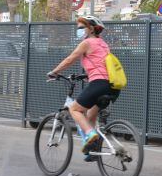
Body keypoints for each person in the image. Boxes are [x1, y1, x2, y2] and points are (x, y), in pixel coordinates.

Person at [47, 15, 119, 161]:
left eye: (81, 28)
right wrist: (87, 76)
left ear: (91, 29)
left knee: (75, 109)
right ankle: (92, 150)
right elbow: (100, 64)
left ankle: (90, 135)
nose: (78, 31)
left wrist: (54, 72)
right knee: (91, 115)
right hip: (112, 85)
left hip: (99, 83)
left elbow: (70, 59)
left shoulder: (87, 43)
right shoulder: (103, 43)